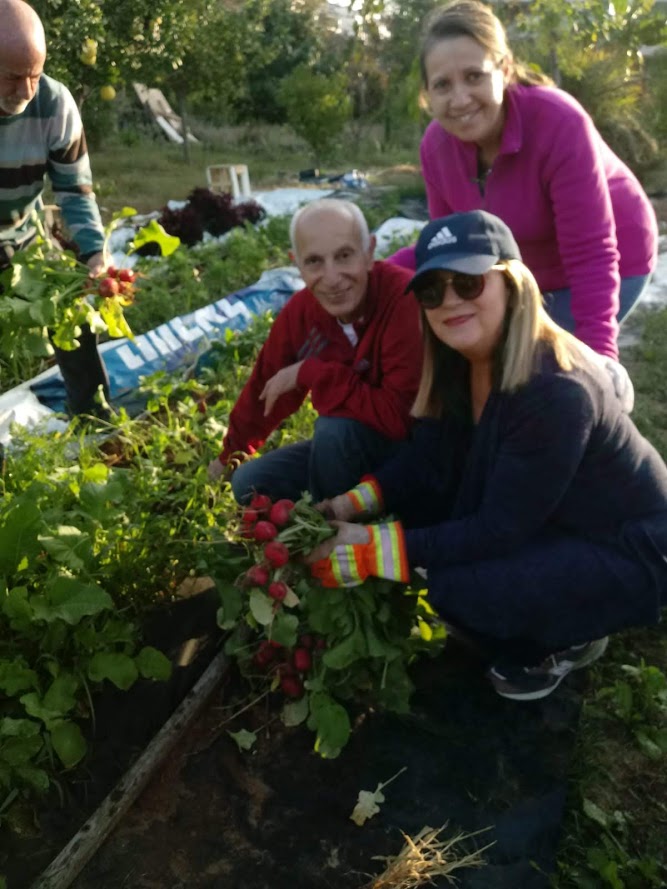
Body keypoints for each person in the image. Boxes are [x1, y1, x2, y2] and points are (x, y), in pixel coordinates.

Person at [306, 210, 667, 702]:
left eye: (469, 282)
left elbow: (499, 529)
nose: (450, 300)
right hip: (553, 516)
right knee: (433, 530)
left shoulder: (557, 391)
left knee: (462, 589)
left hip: (626, 545)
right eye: (432, 291)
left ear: (512, 284)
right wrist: (348, 505)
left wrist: (370, 551)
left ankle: (569, 638)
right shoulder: (460, 364)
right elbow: (424, 460)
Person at [389, 0, 658, 361]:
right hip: (530, 271)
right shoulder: (436, 148)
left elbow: (591, 253)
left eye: (474, 76)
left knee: (546, 370)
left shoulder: (558, 123)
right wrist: (366, 275)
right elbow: (449, 247)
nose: (460, 99)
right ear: (428, 94)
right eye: (442, 85)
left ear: (504, 69)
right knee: (490, 365)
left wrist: (600, 358)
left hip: (616, 259)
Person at [207, 198, 423, 503]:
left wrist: (310, 373)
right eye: (314, 262)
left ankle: (331, 529)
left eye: (344, 256)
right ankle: (323, 512)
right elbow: (264, 389)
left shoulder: (404, 299)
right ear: (297, 263)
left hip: (410, 455)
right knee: (248, 482)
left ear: (370, 252)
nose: (332, 278)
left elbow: (398, 419)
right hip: (344, 452)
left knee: (335, 431)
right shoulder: (301, 313)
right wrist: (228, 456)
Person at [0, 0, 111, 417]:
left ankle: (93, 417)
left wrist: (94, 251)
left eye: (34, 75)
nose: (26, 91)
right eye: (13, 77)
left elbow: (75, 191)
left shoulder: (54, 103)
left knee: (73, 311)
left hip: (25, 235)